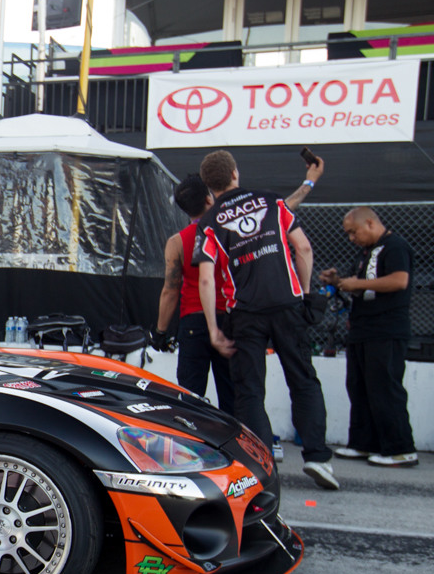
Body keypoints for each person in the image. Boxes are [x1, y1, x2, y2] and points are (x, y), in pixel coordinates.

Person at [194, 150, 338, 490]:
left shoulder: (209, 221)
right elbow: (303, 249)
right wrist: (304, 293)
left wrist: (214, 329)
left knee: (249, 391)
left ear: (209, 185)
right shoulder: (272, 202)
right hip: (288, 305)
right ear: (235, 173)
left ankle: (262, 466)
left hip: (245, 313)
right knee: (303, 379)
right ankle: (317, 457)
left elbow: (206, 278)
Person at [153, 159, 324, 417]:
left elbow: (170, 290)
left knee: (189, 395)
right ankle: (238, 438)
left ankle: (188, 437)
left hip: (193, 323)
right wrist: (309, 182)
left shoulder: (177, 242)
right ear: (209, 197)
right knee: (235, 394)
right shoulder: (230, 228)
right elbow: (280, 210)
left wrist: (160, 331)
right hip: (231, 318)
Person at [319, 208, 418, 467]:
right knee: (359, 386)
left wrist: (358, 284)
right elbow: (359, 284)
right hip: (362, 329)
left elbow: (399, 280)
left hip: (387, 329)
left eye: (354, 232)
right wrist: (338, 281)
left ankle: (400, 448)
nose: (351, 238)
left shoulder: (395, 246)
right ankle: (363, 443)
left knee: (384, 387)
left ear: (370, 223)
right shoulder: (365, 253)